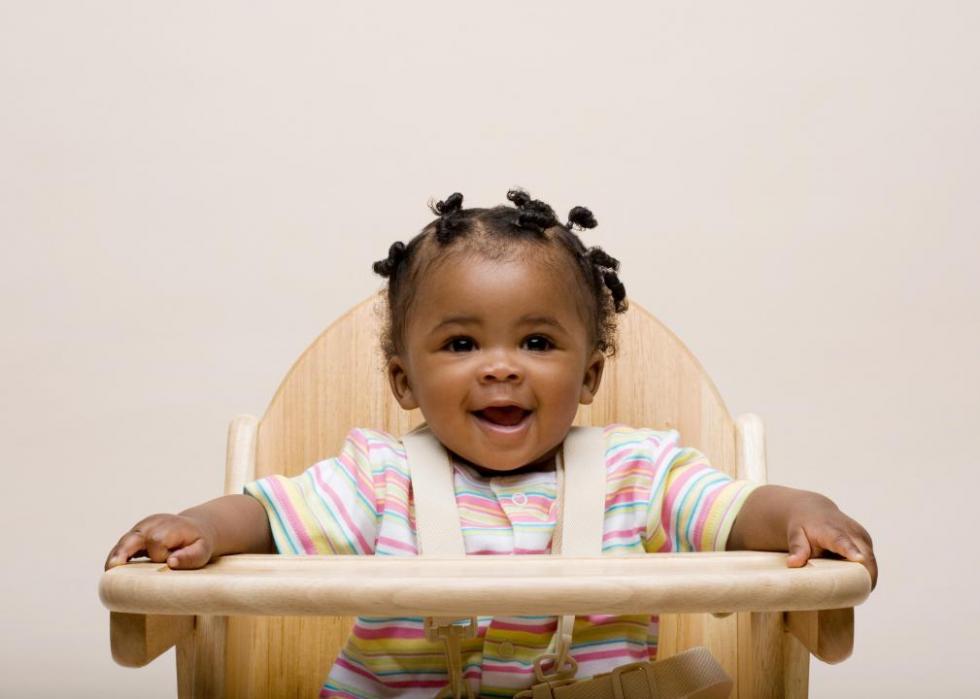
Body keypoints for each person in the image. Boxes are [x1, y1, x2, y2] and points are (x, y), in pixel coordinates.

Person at [105, 189, 877, 698]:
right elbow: (268, 517)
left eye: (537, 341)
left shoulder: (636, 474)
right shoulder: (379, 479)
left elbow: (735, 511)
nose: (500, 366)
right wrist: (198, 526)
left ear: (589, 374)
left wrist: (801, 510)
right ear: (405, 380)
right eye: (461, 343)